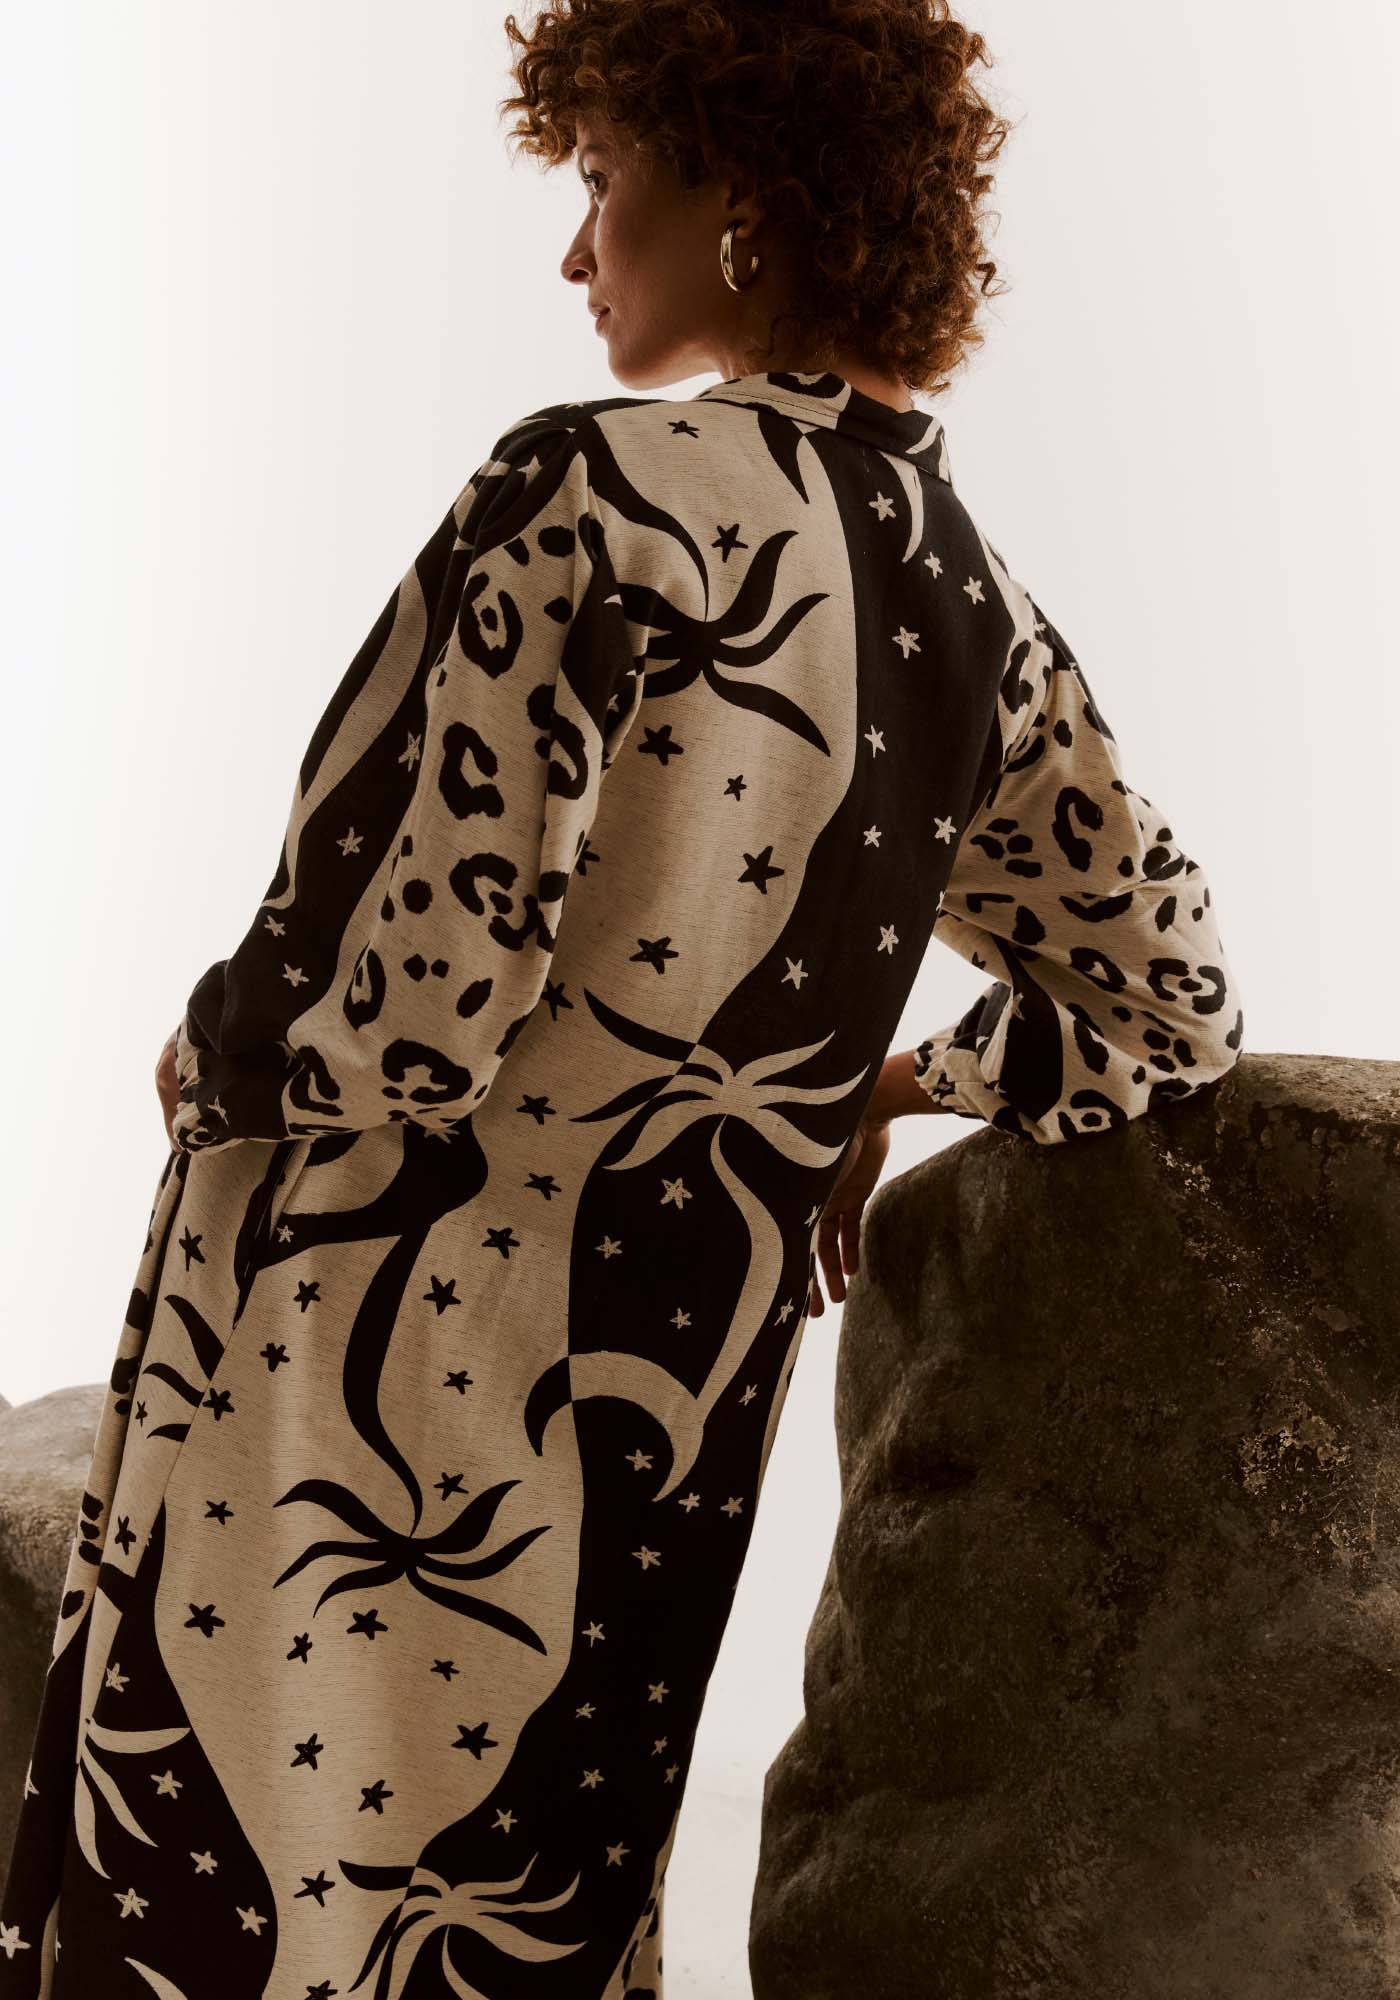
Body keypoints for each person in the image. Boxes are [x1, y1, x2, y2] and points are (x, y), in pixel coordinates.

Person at [0, 4, 1245, 1995]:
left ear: (739, 189)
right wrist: (888, 1083)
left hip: (336, 1379)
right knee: (513, 1925)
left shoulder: (584, 491)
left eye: (598, 182)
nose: (574, 248)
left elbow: (404, 1007)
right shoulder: (976, 613)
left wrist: (217, 1043)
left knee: (218, 1908)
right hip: (627, 1478)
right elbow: (1168, 994)